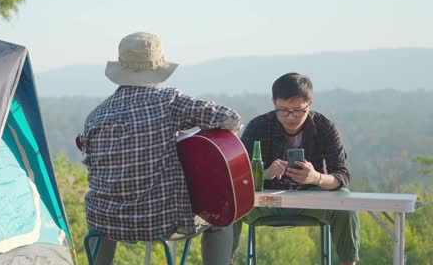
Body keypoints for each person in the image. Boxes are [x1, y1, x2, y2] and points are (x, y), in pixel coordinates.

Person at [79, 32, 242, 265]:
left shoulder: (96, 114)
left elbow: (92, 167)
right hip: (159, 222)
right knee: (222, 220)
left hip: (107, 222)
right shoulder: (170, 101)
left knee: (100, 218)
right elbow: (230, 119)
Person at [232, 72, 360, 265]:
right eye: (283, 110)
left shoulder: (324, 127)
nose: (291, 117)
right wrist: (264, 174)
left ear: (310, 103)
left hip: (309, 201)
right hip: (266, 201)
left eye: (298, 111)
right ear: (273, 102)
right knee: (229, 203)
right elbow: (236, 177)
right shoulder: (259, 126)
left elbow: (341, 176)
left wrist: (316, 178)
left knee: (347, 203)